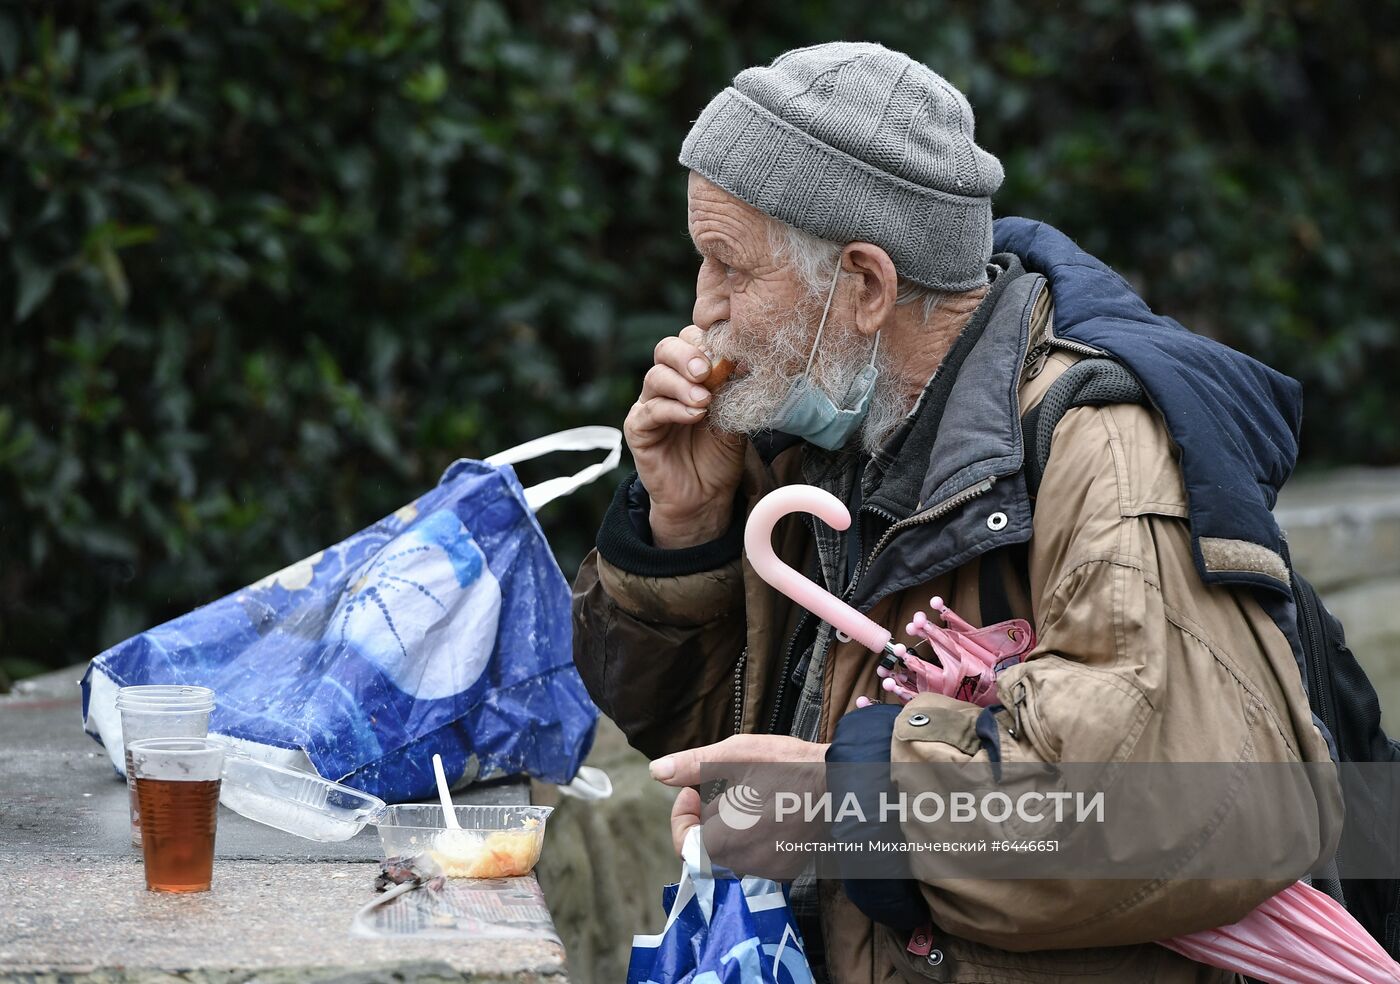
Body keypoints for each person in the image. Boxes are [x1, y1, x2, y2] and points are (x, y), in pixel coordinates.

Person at [572, 42, 1341, 983]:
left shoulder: (1095, 447)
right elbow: (701, 745)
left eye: (729, 268)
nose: (703, 311)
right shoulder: (813, 440)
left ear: (864, 286)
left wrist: (843, 806)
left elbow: (1192, 809)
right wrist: (680, 529)